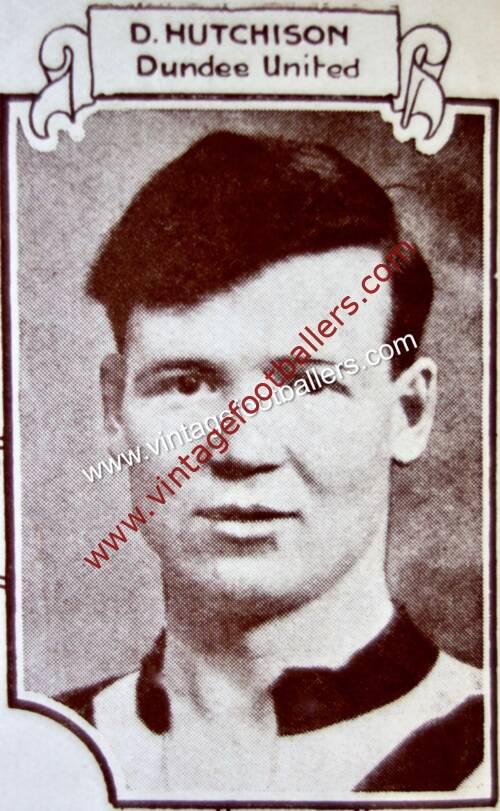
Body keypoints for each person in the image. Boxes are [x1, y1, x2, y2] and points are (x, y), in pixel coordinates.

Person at [57, 131, 483, 796]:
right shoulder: (41, 750)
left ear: (409, 412)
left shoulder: (481, 758)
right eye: (188, 383)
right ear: (115, 407)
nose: (240, 450)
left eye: (308, 385)